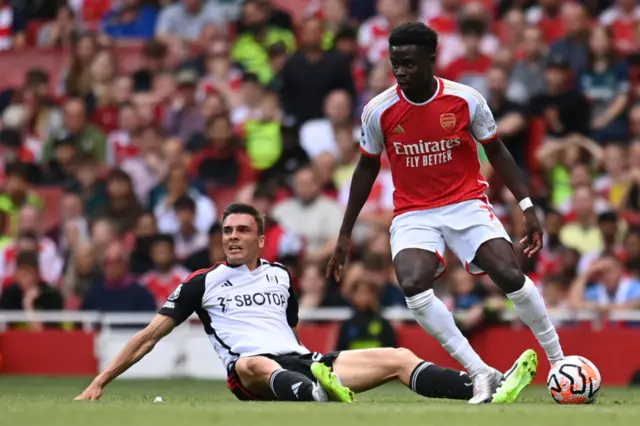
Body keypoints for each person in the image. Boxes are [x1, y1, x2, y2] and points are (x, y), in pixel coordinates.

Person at [75, 203, 537, 403]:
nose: (232, 239)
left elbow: (289, 331)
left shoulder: (280, 275)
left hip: (301, 361)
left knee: (398, 357)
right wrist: (100, 381)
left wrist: (310, 362)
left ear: (260, 237)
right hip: (249, 371)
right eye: (226, 232)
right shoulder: (203, 281)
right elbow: (149, 336)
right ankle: (315, 393)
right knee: (255, 362)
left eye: (240, 231)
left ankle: (484, 387)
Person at [327, 22, 563, 404]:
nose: (400, 72)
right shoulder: (378, 110)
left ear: (430, 60)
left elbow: (497, 149)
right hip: (413, 212)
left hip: (467, 203)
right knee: (413, 283)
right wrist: (344, 233)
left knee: (508, 273)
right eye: (394, 64)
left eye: (408, 63)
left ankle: (559, 361)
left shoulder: (465, 99)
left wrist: (526, 205)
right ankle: (481, 372)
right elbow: (366, 166)